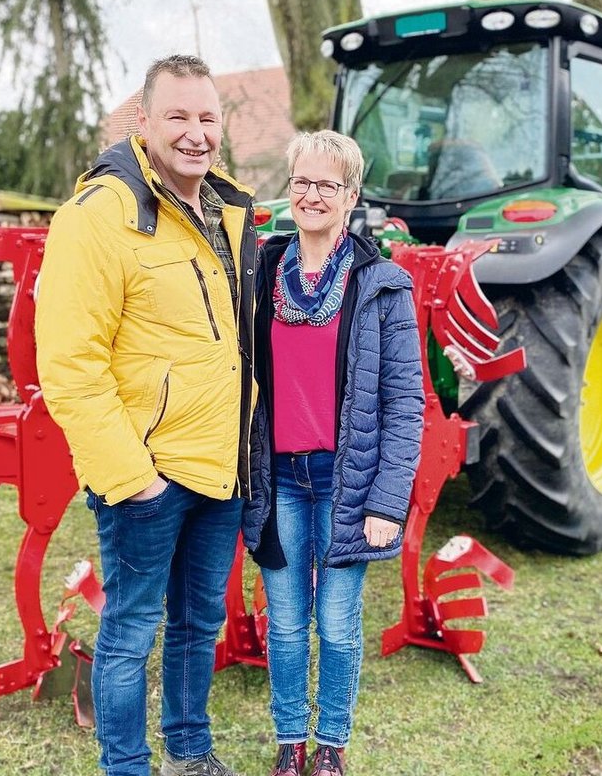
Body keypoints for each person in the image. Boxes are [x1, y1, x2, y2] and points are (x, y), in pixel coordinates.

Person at [35, 54, 256, 776]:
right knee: (130, 630)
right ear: (143, 122)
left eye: (207, 118)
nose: (196, 134)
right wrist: (133, 478)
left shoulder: (227, 210)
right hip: (147, 476)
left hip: (221, 467)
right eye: (178, 117)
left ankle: (191, 753)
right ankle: (126, 766)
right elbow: (71, 367)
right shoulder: (98, 218)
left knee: (199, 625)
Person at [243, 131, 425, 776]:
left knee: (338, 627)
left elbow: (407, 404)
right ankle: (290, 742)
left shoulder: (383, 285)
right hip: (280, 481)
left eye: (328, 185)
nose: (313, 195)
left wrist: (388, 502)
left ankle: (331, 746)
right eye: (302, 181)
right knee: (287, 626)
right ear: (289, 189)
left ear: (351, 196)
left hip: (346, 480)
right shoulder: (261, 273)